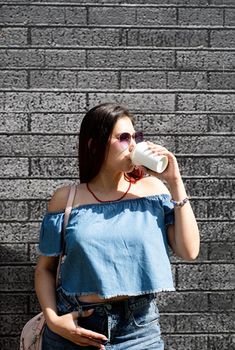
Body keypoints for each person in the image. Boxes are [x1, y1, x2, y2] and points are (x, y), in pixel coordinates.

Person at [35, 103, 200, 350]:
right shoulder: (66, 199)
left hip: (139, 331)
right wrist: (54, 320)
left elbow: (189, 251)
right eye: (123, 138)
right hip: (76, 327)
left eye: (136, 136)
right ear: (94, 144)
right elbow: (45, 269)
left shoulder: (153, 191)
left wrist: (175, 182)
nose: (133, 145)